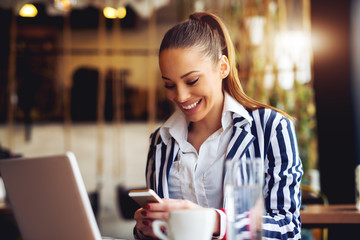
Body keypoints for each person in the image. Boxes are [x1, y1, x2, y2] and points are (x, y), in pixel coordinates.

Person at [133, 11, 303, 239]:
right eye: (169, 85)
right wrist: (145, 227)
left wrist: (210, 220)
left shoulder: (270, 128)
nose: (181, 96)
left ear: (223, 67)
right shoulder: (160, 140)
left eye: (192, 80)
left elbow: (288, 228)